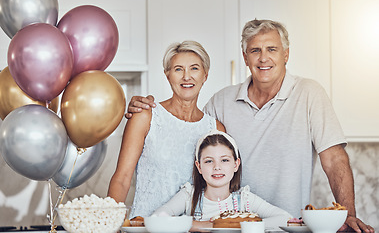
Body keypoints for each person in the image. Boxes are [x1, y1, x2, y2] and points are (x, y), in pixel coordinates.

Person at [125, 19, 374, 232]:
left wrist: (347, 214)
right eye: (255, 50)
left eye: (272, 49)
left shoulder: (310, 94)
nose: (263, 58)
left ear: (286, 54)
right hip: (232, 227)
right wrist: (146, 107)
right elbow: (188, 128)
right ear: (245, 57)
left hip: (285, 225)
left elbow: (334, 160)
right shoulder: (221, 102)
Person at [107, 40, 225, 218]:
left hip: (195, 228)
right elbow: (122, 177)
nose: (187, 77)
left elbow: (220, 188)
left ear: (205, 75)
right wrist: (110, 223)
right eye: (178, 69)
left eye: (194, 68)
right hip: (146, 226)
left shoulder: (215, 128)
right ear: (167, 75)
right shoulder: (145, 116)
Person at [153, 130, 292, 231]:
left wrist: (239, 225)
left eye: (224, 160)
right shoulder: (188, 196)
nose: (217, 167)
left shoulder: (245, 199)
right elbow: (157, 218)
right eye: (209, 161)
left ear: (236, 164)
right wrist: (204, 225)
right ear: (199, 166)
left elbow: (286, 218)